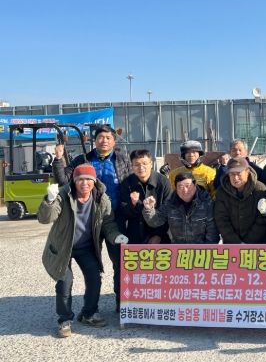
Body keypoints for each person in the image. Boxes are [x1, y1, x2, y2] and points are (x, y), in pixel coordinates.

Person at [37, 164, 128, 338]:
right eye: (80, 179)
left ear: (94, 181)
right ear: (74, 181)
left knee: (94, 278)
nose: (84, 183)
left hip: (86, 247)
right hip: (63, 247)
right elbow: (46, 218)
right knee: (65, 281)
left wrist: (116, 236)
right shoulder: (63, 195)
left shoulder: (102, 198)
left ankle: (89, 313)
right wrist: (49, 200)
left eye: (88, 179)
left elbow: (108, 223)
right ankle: (64, 320)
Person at [52, 124, 130, 312]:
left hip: (114, 219)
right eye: (100, 137)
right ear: (94, 140)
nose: (104, 141)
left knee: (120, 263)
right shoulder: (83, 160)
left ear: (114, 140)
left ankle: (122, 303)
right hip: (88, 221)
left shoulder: (122, 159)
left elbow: (132, 182)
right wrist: (59, 159)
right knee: (93, 267)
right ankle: (89, 309)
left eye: (108, 138)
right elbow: (63, 180)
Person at [143, 172, 220, 244]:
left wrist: (207, 250)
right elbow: (155, 222)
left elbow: (212, 232)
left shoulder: (207, 203)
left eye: (188, 186)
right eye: (180, 187)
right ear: (176, 188)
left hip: (202, 250)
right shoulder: (170, 203)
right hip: (178, 250)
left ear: (195, 185)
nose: (185, 190)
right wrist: (149, 209)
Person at [120, 149, 172, 245]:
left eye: (145, 163)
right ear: (132, 166)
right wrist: (133, 204)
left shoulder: (163, 182)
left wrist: (158, 235)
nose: (141, 167)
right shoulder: (127, 183)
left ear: (151, 164)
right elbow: (124, 212)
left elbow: (169, 211)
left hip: (160, 235)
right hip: (135, 235)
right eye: (136, 165)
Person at [214, 157, 266, 243]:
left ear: (247, 172)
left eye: (239, 173)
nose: (235, 178)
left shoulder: (260, 189)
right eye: (232, 174)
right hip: (231, 243)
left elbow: (262, 219)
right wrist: (237, 243)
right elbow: (221, 219)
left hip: (258, 243)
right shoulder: (222, 192)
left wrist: (248, 242)